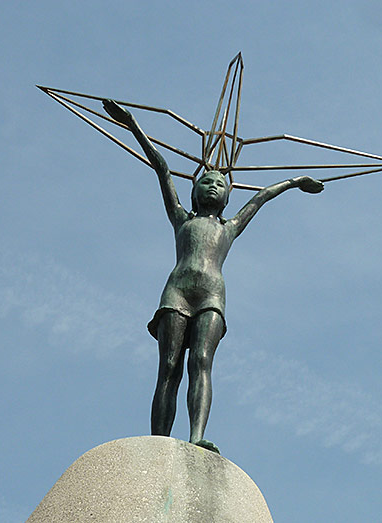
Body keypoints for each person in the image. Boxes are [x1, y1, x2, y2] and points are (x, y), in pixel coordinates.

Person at [103, 99, 324, 453]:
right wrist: (133, 125)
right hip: (176, 293)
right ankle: (159, 442)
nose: (213, 187)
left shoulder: (231, 227)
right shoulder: (182, 219)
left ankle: (195, 437)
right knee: (169, 367)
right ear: (194, 190)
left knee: (201, 362)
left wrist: (296, 181)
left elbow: (263, 197)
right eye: (206, 182)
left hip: (211, 295)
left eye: (220, 184)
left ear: (228, 196)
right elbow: (161, 168)